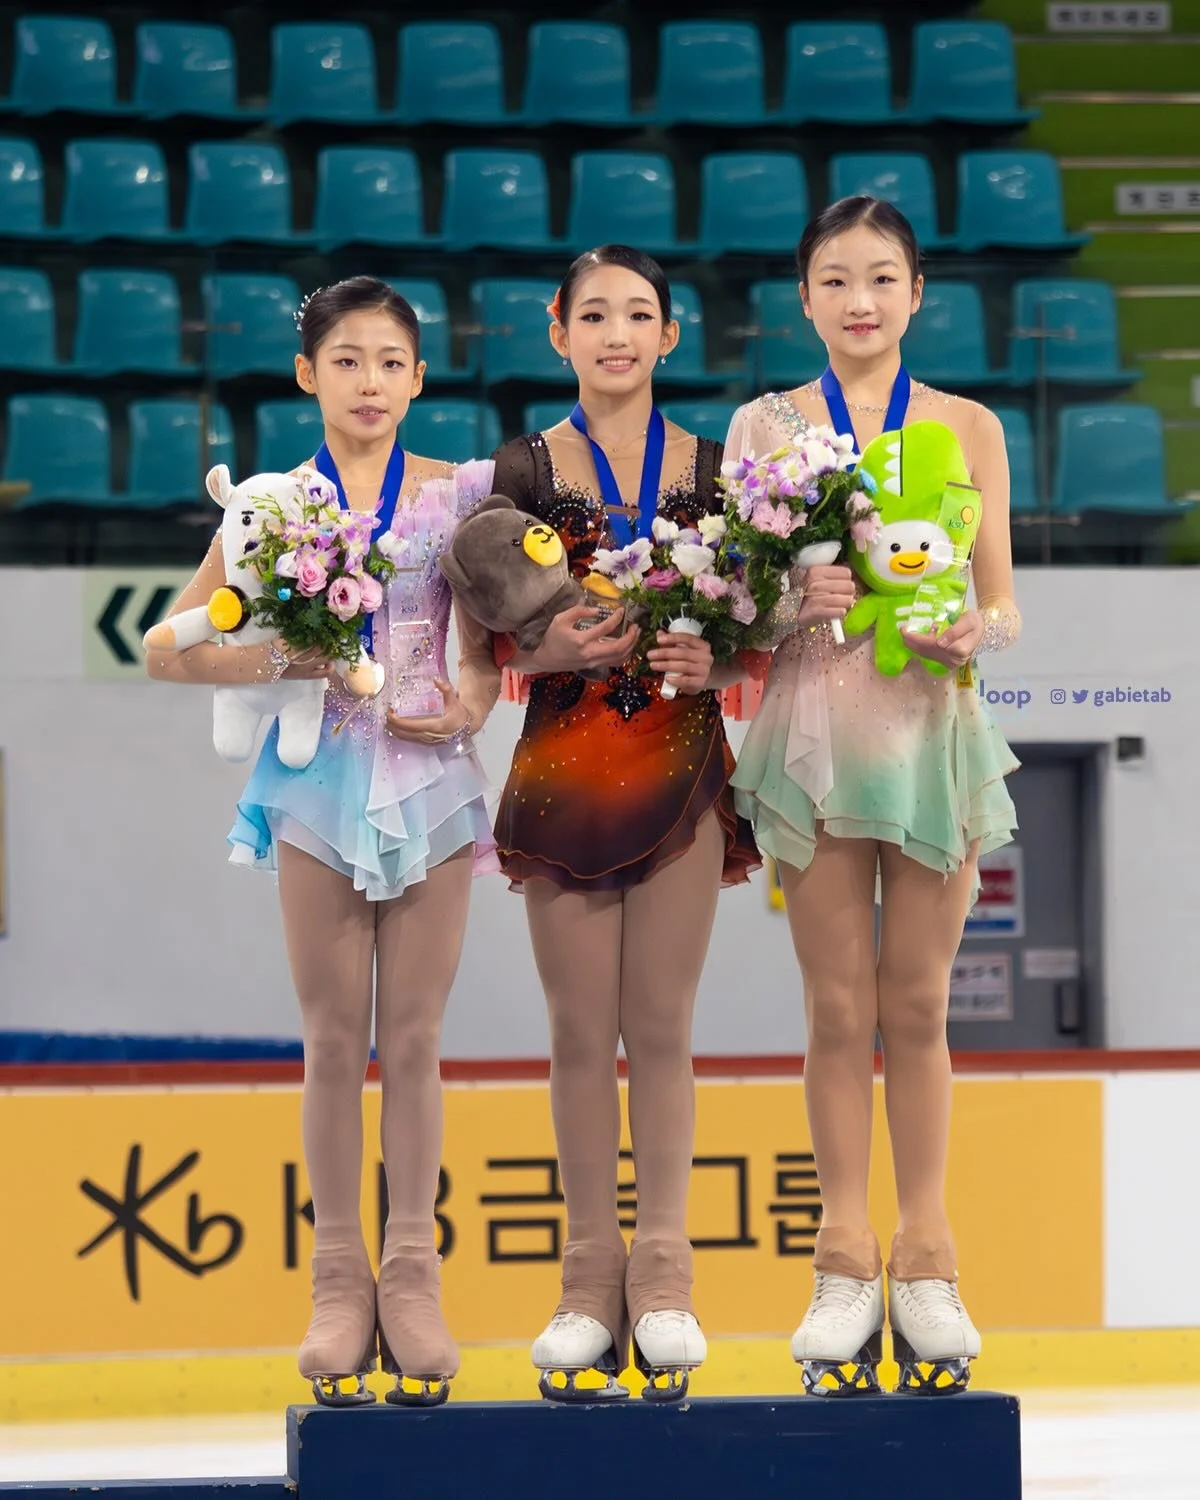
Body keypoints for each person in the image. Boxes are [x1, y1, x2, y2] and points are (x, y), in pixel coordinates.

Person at [144, 277, 500, 1408]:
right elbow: (167, 645)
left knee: (419, 1035)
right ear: (308, 376)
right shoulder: (268, 506)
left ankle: (414, 1277)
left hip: (432, 786)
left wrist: (475, 702)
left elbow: (491, 645)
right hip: (313, 786)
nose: (370, 382)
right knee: (334, 1039)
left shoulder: (457, 494)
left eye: (391, 362)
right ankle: (336, 1282)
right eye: (347, 360)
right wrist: (279, 661)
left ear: (419, 379)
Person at [726, 199, 1021, 1396]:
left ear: (915, 295)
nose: (860, 299)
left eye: (882, 278)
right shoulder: (764, 425)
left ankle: (931, 1256)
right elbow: (730, 603)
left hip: (932, 731)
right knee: (837, 1009)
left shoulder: (970, 426)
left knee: (920, 1007)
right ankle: (843, 1259)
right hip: (816, 734)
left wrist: (974, 629)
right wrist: (783, 603)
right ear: (804, 299)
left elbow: (1004, 600)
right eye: (836, 280)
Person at [486, 244, 760, 1403]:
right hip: (562, 766)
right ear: (558, 331)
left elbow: (760, 626)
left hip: (683, 765)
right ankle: (583, 1286)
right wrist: (540, 648)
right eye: (592, 313)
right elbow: (486, 631)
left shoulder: (716, 467)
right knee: (574, 1030)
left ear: (669, 335)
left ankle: (664, 1280)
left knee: (660, 1024)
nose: (615, 332)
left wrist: (722, 652)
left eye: (637, 314)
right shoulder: (516, 467)